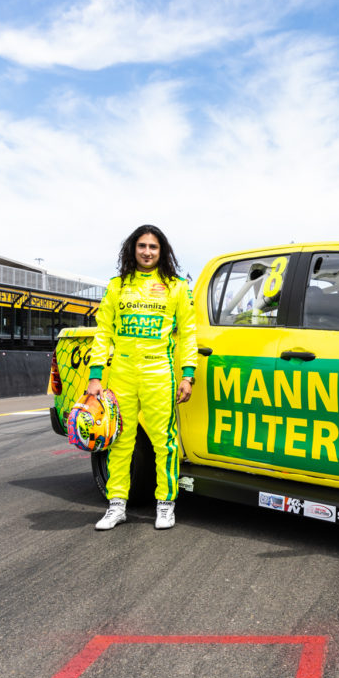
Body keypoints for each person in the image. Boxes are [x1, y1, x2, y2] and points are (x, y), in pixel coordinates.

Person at [85, 225, 197, 530]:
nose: (147, 252)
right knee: (120, 442)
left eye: (153, 247)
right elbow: (103, 333)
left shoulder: (176, 287)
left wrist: (188, 374)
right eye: (142, 246)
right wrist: (95, 376)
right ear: (133, 249)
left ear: (162, 251)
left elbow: (188, 334)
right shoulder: (117, 286)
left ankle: (166, 504)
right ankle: (116, 505)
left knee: (164, 443)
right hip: (122, 373)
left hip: (159, 372)